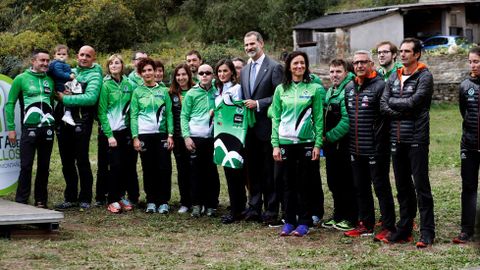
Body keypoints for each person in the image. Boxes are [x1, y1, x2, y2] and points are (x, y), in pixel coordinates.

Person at [380, 38, 435, 248]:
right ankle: (404, 227)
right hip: (397, 138)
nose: (402, 54)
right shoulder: (395, 75)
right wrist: (400, 108)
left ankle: (427, 232)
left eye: (407, 52)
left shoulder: (425, 76)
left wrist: (395, 105)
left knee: (421, 186)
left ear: (417, 54)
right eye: (401, 51)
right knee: (402, 186)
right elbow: (383, 105)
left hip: (416, 139)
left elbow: (415, 103)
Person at [343, 50, 396, 242]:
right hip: (355, 148)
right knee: (360, 187)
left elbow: (386, 118)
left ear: (371, 64)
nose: (359, 66)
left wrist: (380, 143)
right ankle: (365, 224)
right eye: (356, 63)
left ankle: (389, 226)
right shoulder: (349, 87)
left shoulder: (381, 86)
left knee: (381, 188)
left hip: (376, 149)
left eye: (363, 62)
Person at [270, 51, 323, 237]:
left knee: (305, 183)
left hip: (306, 143)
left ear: (306, 66)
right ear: (289, 66)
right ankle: (289, 220)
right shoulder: (280, 90)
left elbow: (318, 118)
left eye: (302, 63)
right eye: (295, 63)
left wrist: (317, 145)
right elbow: (275, 118)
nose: (299, 66)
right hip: (285, 143)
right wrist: (275, 144)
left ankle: (304, 222)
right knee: (287, 183)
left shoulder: (314, 88)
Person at [240, 31, 284, 225]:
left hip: (267, 128)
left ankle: (272, 210)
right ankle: (254, 207)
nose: (249, 48)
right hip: (249, 129)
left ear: (261, 43)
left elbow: (280, 96)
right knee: (253, 171)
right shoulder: (244, 70)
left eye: (252, 44)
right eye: (246, 45)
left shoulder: (274, 68)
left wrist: (258, 104)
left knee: (269, 171)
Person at [55, 45, 103, 211]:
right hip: (63, 122)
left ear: (93, 59)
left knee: (81, 160)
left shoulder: (95, 76)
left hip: (82, 123)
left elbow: (90, 98)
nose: (83, 58)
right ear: (77, 55)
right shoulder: (70, 71)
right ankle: (70, 197)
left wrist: (65, 99)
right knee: (66, 161)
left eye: (87, 56)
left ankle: (85, 197)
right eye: (81, 54)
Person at [6, 48, 55, 208]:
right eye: (42, 60)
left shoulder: (50, 80)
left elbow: (54, 100)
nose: (45, 63)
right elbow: (10, 104)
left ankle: (41, 200)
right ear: (33, 61)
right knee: (26, 166)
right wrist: (11, 128)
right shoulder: (21, 79)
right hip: (29, 128)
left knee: (44, 166)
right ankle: (21, 201)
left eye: (48, 60)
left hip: (47, 129)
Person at [130, 58, 174, 214]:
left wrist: (170, 134)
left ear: (155, 72)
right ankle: (151, 200)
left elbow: (169, 114)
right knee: (148, 168)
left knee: (164, 167)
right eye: (144, 71)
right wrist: (135, 137)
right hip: (144, 135)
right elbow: (133, 115)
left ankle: (163, 201)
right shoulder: (137, 92)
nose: (148, 73)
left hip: (162, 134)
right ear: (140, 74)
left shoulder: (164, 91)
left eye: (150, 70)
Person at [97, 54, 137, 213]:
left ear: (122, 65)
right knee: (114, 166)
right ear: (108, 67)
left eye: (117, 63)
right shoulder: (105, 85)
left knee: (125, 166)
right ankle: (111, 199)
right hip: (110, 133)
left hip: (124, 131)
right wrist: (109, 135)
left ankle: (121, 197)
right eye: (111, 63)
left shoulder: (129, 84)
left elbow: (133, 110)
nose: (114, 65)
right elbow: (101, 112)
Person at [321, 59, 357, 231]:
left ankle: (350, 217)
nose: (334, 75)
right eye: (332, 72)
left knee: (346, 182)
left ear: (345, 72)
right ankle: (338, 215)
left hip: (343, 146)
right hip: (331, 148)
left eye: (338, 72)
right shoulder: (331, 91)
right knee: (333, 182)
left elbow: (347, 120)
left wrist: (328, 137)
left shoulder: (348, 90)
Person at [212, 59, 249, 224]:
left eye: (225, 71)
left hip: (235, 135)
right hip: (221, 133)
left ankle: (238, 210)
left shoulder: (237, 89)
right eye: (219, 71)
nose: (222, 74)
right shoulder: (218, 90)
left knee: (236, 173)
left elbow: (239, 111)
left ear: (232, 73)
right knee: (229, 172)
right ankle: (237, 205)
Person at [181, 64, 220, 218]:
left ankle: (211, 204)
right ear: (197, 75)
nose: (204, 75)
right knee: (195, 172)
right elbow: (184, 116)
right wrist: (186, 136)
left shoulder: (217, 92)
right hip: (195, 137)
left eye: (208, 73)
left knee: (211, 172)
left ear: (213, 75)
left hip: (212, 138)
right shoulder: (191, 93)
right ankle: (196, 204)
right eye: (201, 73)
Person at [453, 46, 480, 244]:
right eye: (470, 61)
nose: (473, 65)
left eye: (476, 61)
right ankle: (466, 230)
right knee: (468, 187)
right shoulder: (464, 86)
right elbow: (465, 112)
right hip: (469, 145)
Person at [169, 63, 194, 214]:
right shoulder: (171, 93)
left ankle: (198, 200)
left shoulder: (196, 90)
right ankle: (185, 202)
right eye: (178, 75)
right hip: (178, 138)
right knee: (182, 170)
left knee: (195, 170)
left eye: (184, 74)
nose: (181, 77)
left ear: (189, 75)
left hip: (194, 136)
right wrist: (171, 134)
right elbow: (170, 116)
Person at [47, 44, 76, 126]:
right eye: (59, 54)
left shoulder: (64, 64)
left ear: (67, 56)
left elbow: (68, 71)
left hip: (65, 84)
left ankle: (67, 113)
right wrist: (69, 76)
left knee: (69, 97)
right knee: (67, 97)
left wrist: (72, 73)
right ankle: (67, 114)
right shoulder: (56, 64)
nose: (61, 56)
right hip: (60, 85)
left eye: (64, 54)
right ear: (54, 56)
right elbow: (58, 73)